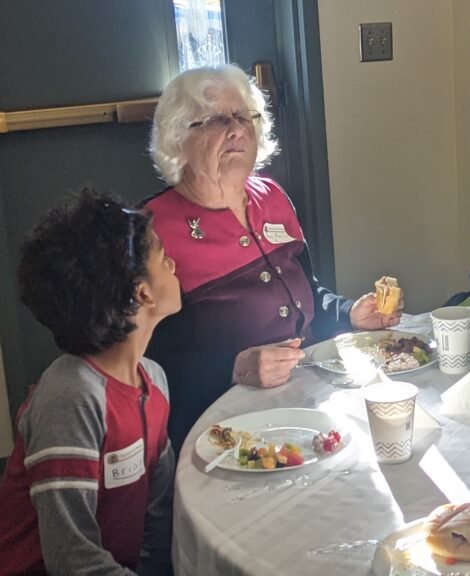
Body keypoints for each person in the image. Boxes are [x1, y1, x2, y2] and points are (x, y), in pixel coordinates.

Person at [145, 64, 400, 452]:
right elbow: (143, 364)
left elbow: (307, 292)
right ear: (178, 136)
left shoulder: (272, 196)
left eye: (243, 117)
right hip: (220, 425)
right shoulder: (152, 230)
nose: (236, 130)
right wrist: (232, 367)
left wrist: (349, 313)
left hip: (309, 399)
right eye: (217, 119)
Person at [0, 191, 178, 575]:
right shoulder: (72, 398)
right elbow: (71, 558)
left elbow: (160, 515)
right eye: (164, 258)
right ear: (142, 293)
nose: (174, 265)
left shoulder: (154, 381)